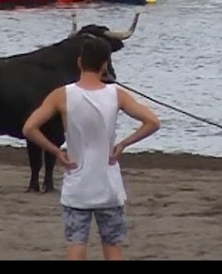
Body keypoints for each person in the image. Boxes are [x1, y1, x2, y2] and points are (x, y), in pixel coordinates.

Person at [22, 37, 161, 261]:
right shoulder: (117, 94)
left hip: (77, 184)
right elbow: (152, 122)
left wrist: (57, 152)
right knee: (112, 247)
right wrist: (124, 143)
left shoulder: (61, 95)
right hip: (108, 185)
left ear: (79, 62)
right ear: (105, 64)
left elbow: (29, 128)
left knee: (76, 245)